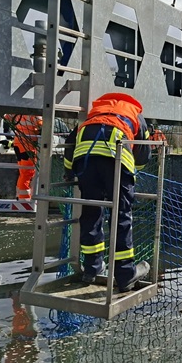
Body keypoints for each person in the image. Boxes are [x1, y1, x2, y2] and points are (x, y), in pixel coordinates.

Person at [63, 92, 151, 291]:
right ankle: (125, 273)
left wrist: (69, 172)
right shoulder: (135, 114)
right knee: (121, 215)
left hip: (85, 163)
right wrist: (132, 172)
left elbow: (70, 146)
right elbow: (144, 155)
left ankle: (92, 268)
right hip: (116, 162)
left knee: (91, 211)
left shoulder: (93, 115)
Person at [3, 114, 42, 200]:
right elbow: (42, 126)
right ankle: (24, 198)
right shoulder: (34, 114)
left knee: (23, 172)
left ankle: (20, 196)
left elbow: (6, 117)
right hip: (27, 145)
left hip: (18, 142)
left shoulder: (18, 112)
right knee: (27, 173)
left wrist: (7, 133)